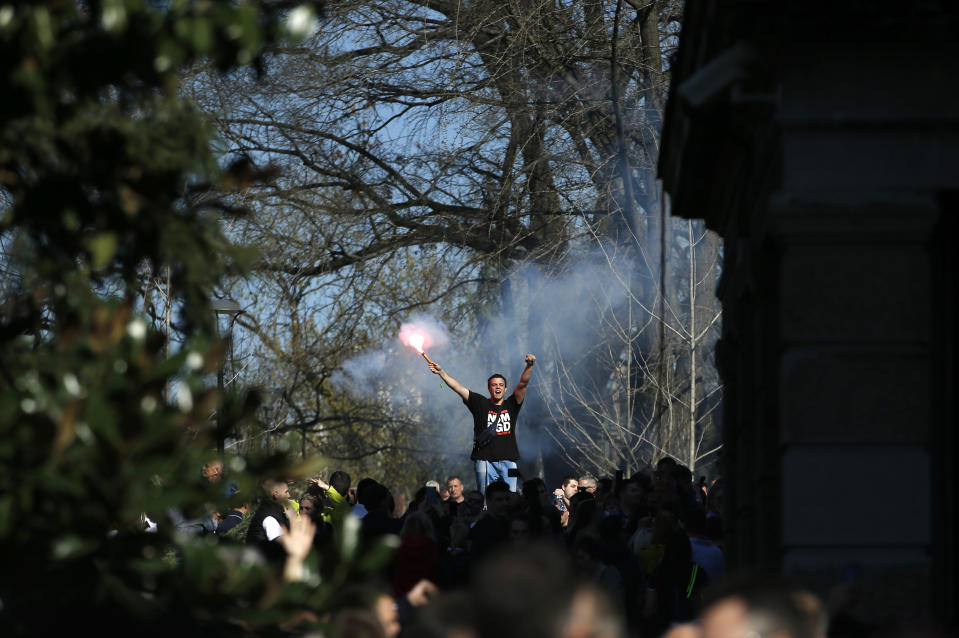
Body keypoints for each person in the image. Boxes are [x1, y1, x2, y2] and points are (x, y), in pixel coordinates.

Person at [428, 353, 536, 492]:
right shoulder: (479, 403)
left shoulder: (512, 404)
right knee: (484, 499)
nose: (497, 387)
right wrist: (441, 372)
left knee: (511, 497)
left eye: (501, 385)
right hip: (484, 461)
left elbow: (523, 384)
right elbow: (458, 388)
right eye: (494, 385)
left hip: (509, 462)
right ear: (489, 388)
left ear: (505, 389)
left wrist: (529, 365)